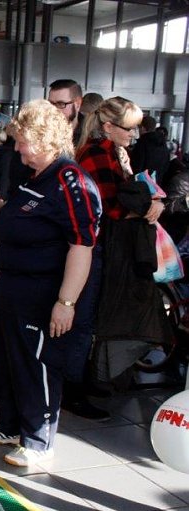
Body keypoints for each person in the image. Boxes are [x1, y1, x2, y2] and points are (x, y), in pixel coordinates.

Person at [0, 99, 101, 467]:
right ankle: (9, 425)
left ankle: (39, 440)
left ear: (45, 140)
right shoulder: (34, 175)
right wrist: (0, 205)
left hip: (42, 292)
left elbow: (83, 245)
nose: (17, 149)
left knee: (36, 365)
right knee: (3, 360)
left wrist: (66, 303)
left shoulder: (71, 180)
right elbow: (27, 216)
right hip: (9, 287)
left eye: (23, 142)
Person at [77, 96, 172, 388]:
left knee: (98, 316)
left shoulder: (113, 152)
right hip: (100, 246)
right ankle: (80, 383)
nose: (133, 134)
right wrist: (148, 209)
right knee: (89, 318)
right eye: (128, 128)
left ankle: (90, 379)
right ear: (108, 125)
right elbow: (109, 207)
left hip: (108, 246)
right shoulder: (97, 153)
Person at [131, 115, 170, 184]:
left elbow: (137, 167)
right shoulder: (163, 144)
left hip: (143, 185)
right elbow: (166, 165)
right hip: (158, 184)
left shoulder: (142, 144)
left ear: (142, 128)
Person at [47, 79, 85, 146]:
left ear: (78, 104)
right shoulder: (40, 131)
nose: (54, 109)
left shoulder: (91, 135)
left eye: (61, 104)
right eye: (51, 104)